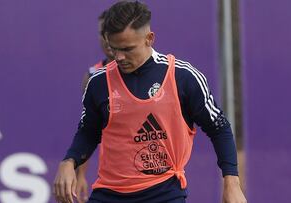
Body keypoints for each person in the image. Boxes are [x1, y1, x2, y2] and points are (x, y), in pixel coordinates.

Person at [54, 1, 247, 203]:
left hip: (164, 194)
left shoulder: (182, 77)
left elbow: (219, 128)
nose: (118, 57)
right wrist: (69, 162)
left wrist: (232, 184)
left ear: (149, 38)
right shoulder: (98, 83)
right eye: (113, 49)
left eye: (127, 49)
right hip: (108, 194)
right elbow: (88, 132)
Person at [76, 9, 114, 203]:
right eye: (102, 33)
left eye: (112, 30)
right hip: (113, 176)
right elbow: (89, 129)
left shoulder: (154, 70)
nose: (106, 38)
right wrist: (80, 174)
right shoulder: (93, 76)